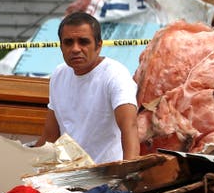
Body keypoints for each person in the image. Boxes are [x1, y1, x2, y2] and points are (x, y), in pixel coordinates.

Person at [37, 12, 140, 164]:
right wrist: (25, 165)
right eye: (68, 42)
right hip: (67, 175)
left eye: (83, 42)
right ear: (61, 46)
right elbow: (50, 135)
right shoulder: (59, 75)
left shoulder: (115, 75)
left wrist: (129, 176)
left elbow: (130, 127)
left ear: (98, 46)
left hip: (106, 177)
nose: (75, 49)